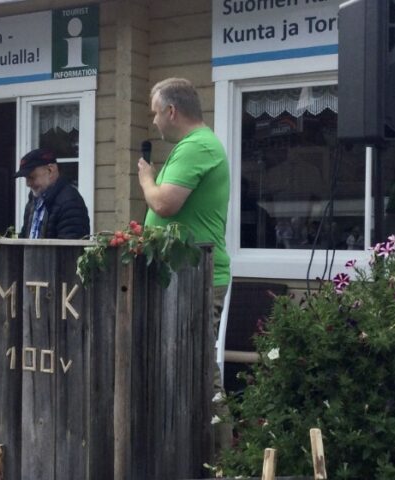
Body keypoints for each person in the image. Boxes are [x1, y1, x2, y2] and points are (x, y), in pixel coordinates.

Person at [137, 77, 231, 452]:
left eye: (155, 113)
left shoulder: (197, 146)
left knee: (201, 370)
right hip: (180, 275)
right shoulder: (193, 146)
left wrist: (146, 178)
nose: (154, 121)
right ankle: (187, 453)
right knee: (183, 368)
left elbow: (163, 204)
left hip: (197, 276)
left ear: (172, 111)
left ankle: (224, 462)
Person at [16, 148, 90, 239]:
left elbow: (70, 245)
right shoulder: (33, 201)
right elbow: (25, 237)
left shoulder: (70, 202)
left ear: (50, 170)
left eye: (31, 177)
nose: (27, 184)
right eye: (26, 178)